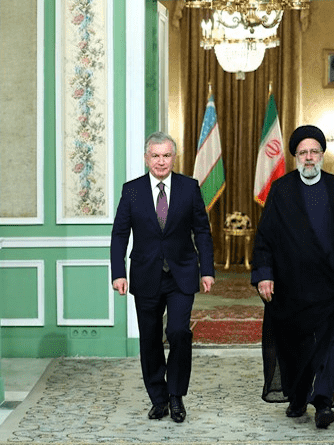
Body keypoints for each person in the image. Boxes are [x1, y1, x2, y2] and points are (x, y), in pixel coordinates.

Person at [251, 124, 334, 429]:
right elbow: (265, 238)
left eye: (314, 151)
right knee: (296, 345)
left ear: (322, 154)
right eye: (302, 152)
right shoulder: (281, 190)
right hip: (291, 287)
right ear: (294, 156)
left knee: (331, 342)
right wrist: (264, 275)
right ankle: (299, 394)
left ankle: (322, 400)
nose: (308, 157)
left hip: (331, 286)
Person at [110, 131, 215, 423]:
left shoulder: (189, 188)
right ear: (147, 158)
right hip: (145, 275)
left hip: (182, 274)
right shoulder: (131, 191)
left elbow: (203, 232)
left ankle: (176, 396)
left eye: (166, 155)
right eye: (155, 156)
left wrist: (207, 270)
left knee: (179, 332)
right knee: (150, 339)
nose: (161, 161)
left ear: (174, 157)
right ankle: (158, 398)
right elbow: (120, 234)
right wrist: (118, 273)